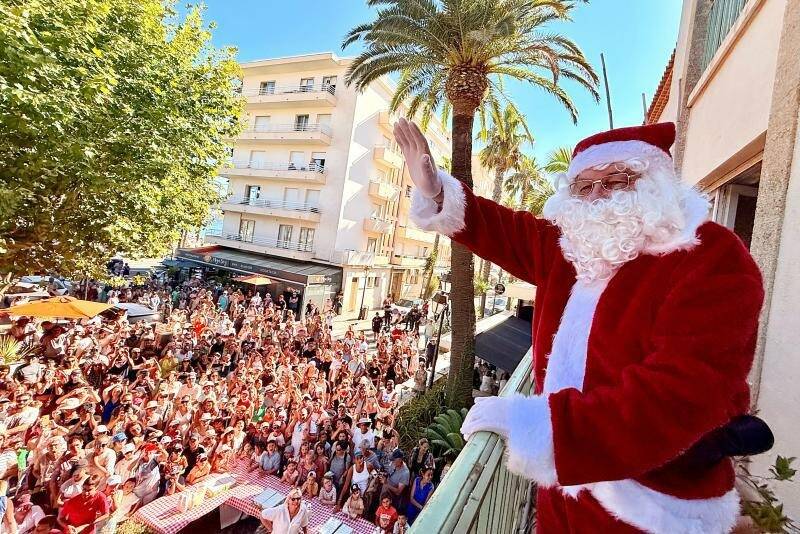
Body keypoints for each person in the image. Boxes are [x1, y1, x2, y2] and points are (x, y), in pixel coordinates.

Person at [394, 118, 766, 533]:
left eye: (616, 180)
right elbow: (503, 230)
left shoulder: (711, 257)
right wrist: (438, 193)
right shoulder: (569, 249)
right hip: (563, 491)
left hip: (650, 508)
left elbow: (675, 397)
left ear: (656, 183)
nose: (598, 197)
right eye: (584, 187)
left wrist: (533, 423)